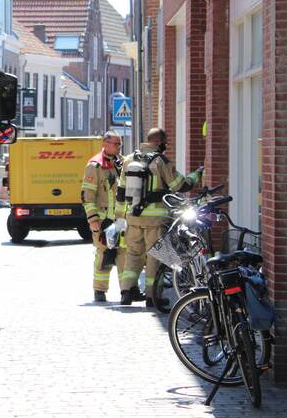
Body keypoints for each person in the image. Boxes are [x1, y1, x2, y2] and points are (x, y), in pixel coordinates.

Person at [115, 127, 202, 306]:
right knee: (156, 256)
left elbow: (121, 192)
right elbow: (179, 185)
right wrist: (196, 175)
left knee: (133, 254)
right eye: (165, 143)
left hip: (133, 217)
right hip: (156, 219)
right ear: (159, 142)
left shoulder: (129, 160)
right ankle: (152, 296)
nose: (166, 146)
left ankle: (126, 292)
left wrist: (121, 219)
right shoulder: (160, 161)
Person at [81, 131, 124, 302]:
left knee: (124, 255)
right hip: (103, 220)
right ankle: (99, 290)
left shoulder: (120, 163)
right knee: (103, 254)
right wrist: (93, 219)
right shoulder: (94, 165)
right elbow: (87, 195)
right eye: (116, 144)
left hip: (121, 219)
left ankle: (126, 291)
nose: (119, 147)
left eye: (120, 144)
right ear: (105, 143)